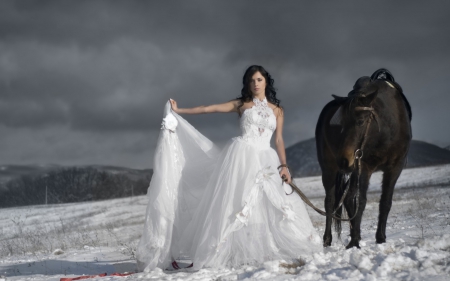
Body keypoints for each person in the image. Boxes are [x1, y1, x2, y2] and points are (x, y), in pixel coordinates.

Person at [136, 65, 321, 272]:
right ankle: (230, 250)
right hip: (242, 157)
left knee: (272, 206)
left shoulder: (277, 110)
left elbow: (278, 139)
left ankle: (265, 248)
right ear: (247, 84)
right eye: (251, 81)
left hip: (267, 158)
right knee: (237, 204)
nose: (255, 84)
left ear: (266, 82)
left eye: (259, 79)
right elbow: (209, 108)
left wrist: (284, 166)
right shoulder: (241, 104)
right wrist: (180, 111)